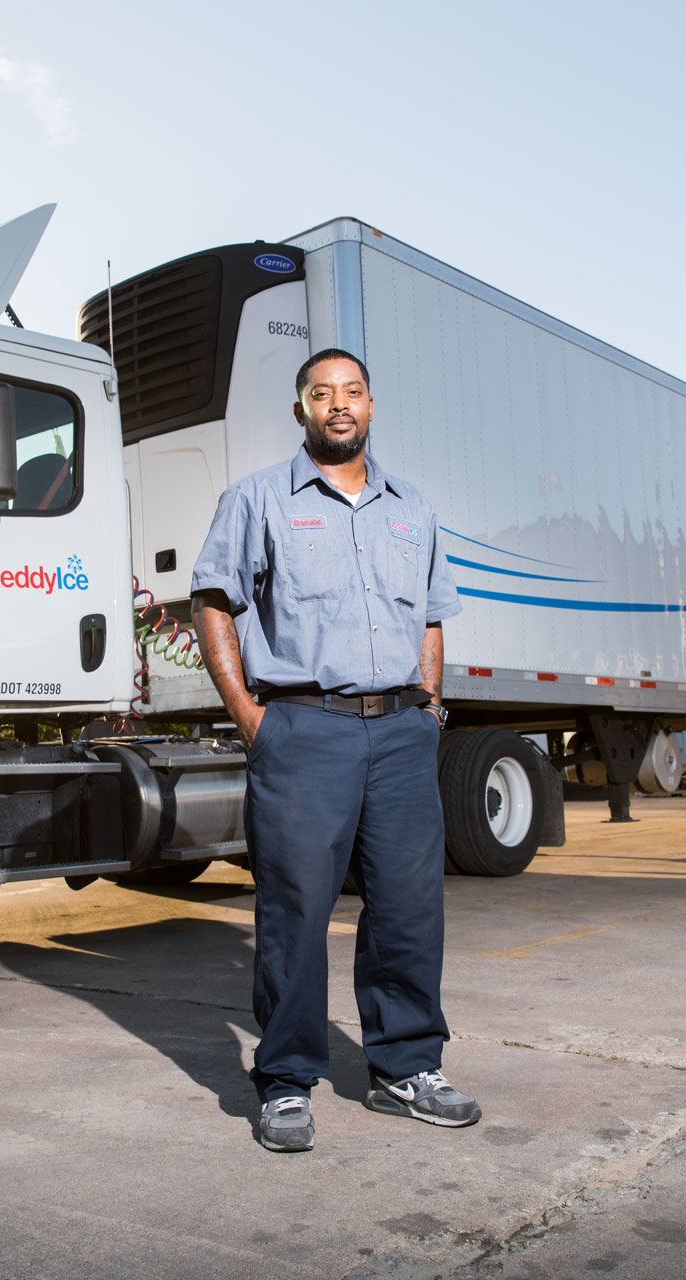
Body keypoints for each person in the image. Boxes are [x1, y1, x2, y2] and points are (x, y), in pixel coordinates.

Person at [190, 347, 481, 1153]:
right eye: (322, 394)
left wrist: (428, 710)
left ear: (372, 406)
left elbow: (430, 616)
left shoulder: (411, 509)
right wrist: (253, 718)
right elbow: (214, 605)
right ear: (302, 412)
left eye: (352, 392)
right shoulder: (256, 500)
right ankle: (285, 1081)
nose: (339, 405)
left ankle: (406, 1068)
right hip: (302, 730)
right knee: (296, 912)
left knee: (409, 908)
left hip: (400, 733)